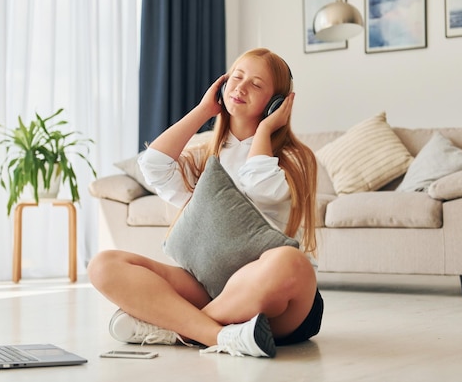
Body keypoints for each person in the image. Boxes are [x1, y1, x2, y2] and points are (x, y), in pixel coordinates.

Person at [88, 47, 323, 358]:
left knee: (290, 262)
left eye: (256, 84)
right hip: (210, 286)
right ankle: (219, 336)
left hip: (275, 297)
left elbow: (261, 185)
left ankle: (175, 329)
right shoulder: (204, 154)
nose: (240, 88)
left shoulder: (295, 159)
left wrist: (266, 129)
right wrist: (203, 111)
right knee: (103, 264)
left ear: (276, 103)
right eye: (236, 78)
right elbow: (153, 166)